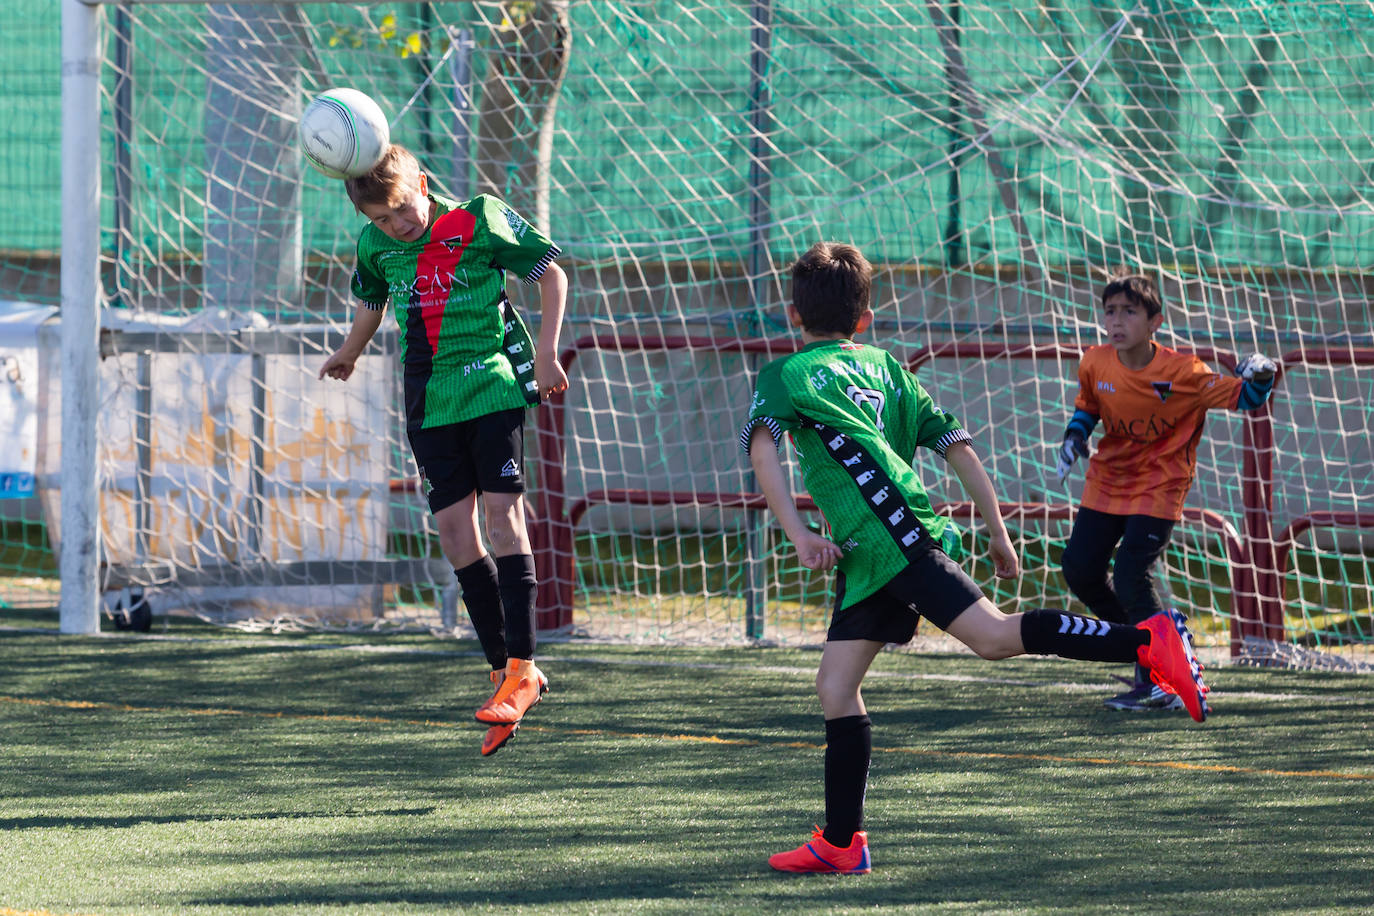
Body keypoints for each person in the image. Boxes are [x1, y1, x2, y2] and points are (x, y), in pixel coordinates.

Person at [740, 242, 1209, 876]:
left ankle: (1148, 642)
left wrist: (795, 531)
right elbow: (957, 447)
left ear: (794, 316)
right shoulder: (886, 368)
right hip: (871, 552)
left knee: (991, 638)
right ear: (866, 317)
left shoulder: (784, 376)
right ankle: (842, 844)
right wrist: (998, 532)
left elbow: (764, 452)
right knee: (835, 687)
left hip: (890, 539)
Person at [319, 144, 568, 757]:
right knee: (457, 537)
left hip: (491, 383)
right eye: (382, 219)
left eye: (402, 210)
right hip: (427, 400)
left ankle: (521, 667)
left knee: (504, 519)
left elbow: (552, 273)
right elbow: (372, 302)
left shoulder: (480, 218)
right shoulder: (376, 246)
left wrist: (545, 352)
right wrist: (351, 349)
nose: (397, 226)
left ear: (422, 184)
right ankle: (504, 677)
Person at [1054, 269, 1275, 712]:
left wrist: (1264, 374)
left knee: (1132, 574)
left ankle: (1162, 677)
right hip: (1108, 481)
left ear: (1155, 321)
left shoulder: (1184, 372)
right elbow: (1088, 408)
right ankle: (1147, 648)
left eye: (1129, 312)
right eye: (1110, 311)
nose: (1116, 321)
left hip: (1160, 484)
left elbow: (1248, 399)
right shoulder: (1095, 361)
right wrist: (1073, 438)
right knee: (1079, 570)